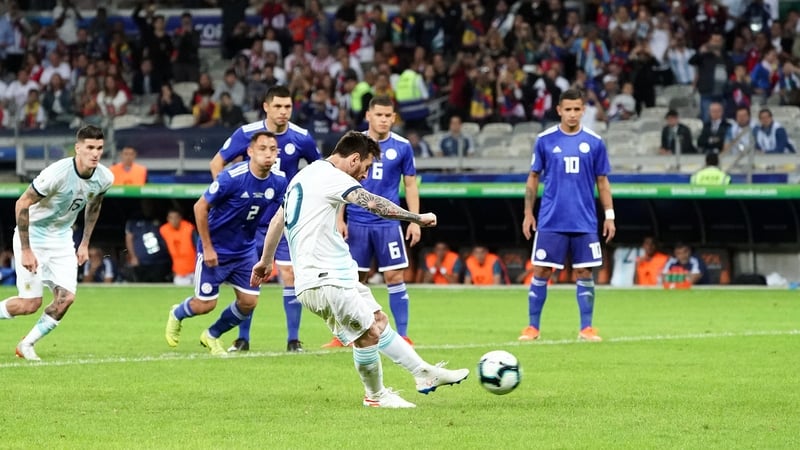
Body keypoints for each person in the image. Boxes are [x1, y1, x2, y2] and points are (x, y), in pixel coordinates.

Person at [250, 131, 469, 408]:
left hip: (332, 276)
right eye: (365, 168)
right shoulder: (334, 177)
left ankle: (424, 373)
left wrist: (265, 260)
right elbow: (374, 204)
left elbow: (277, 220)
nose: (365, 175)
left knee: (377, 321)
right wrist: (416, 218)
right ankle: (375, 397)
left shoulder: (304, 176)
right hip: (325, 279)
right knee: (367, 335)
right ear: (354, 159)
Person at [209, 85, 320, 353]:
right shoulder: (246, 134)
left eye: (288, 107)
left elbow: (319, 171)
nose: (283, 112)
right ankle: (242, 338)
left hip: (283, 219)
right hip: (249, 221)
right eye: (278, 106)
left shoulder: (302, 138)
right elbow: (217, 163)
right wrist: (228, 201)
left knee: (290, 274)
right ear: (266, 107)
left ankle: (293, 340)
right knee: (249, 280)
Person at [165, 132, 287, 356]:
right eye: (262, 148)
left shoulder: (279, 181)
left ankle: (211, 335)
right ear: (250, 152)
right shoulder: (232, 177)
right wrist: (208, 247)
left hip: (245, 251)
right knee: (205, 305)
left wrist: (267, 258)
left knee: (249, 302)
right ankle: (178, 313)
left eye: (272, 149)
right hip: (217, 250)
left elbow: (281, 217)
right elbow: (199, 208)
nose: (268, 154)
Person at [0, 125, 113, 360]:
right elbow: (22, 204)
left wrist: (84, 243)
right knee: (30, 304)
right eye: (90, 147)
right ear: (78, 148)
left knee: (66, 298)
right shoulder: (57, 174)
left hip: (62, 238)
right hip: (34, 235)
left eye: (99, 148)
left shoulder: (104, 177)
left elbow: (94, 206)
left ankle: (27, 344)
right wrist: (27, 250)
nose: (95, 153)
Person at [518, 89, 615, 343]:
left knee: (585, 272)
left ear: (583, 110)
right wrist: (528, 213)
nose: (572, 114)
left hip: (584, 220)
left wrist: (610, 216)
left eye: (577, 109)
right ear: (559, 110)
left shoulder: (595, 142)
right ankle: (532, 327)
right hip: (551, 219)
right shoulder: (545, 140)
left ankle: (586, 328)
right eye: (568, 109)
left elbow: (603, 182)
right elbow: (533, 178)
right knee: (541, 270)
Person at [328, 96, 420, 348]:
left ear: (393, 117)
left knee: (394, 275)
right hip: (356, 221)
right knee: (353, 280)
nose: (383, 119)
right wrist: (339, 217)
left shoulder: (402, 146)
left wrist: (414, 220)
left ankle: (403, 335)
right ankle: (343, 336)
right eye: (378, 114)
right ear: (368, 115)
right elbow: (339, 180)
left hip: (387, 225)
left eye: (388, 115)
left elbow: (410, 184)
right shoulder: (354, 143)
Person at [124, 201, 172, 283]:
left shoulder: (161, 218)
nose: (148, 207)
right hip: (142, 262)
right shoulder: (134, 220)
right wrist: (133, 257)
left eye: (150, 205)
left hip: (160, 262)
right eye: (146, 205)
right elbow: (129, 239)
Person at [159, 209, 198, 286]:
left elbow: (199, 247)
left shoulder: (189, 228)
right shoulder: (164, 230)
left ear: (180, 218)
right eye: (171, 218)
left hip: (194, 271)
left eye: (176, 217)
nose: (174, 220)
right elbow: (163, 250)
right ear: (167, 219)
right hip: (179, 272)